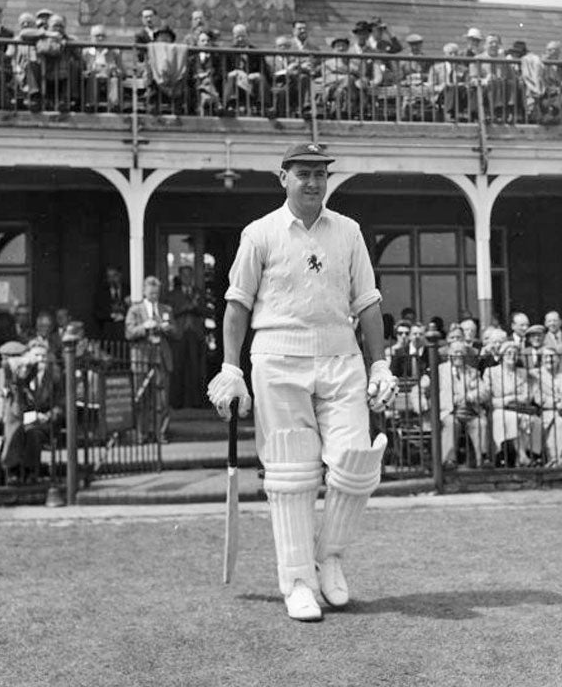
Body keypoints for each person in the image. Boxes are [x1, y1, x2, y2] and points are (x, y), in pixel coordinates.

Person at [206, 141, 397, 622]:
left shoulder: (349, 232)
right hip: (278, 356)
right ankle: (296, 581)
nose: (313, 182)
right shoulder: (260, 233)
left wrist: (379, 365)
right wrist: (231, 369)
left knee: (356, 462)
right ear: (283, 178)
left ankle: (328, 556)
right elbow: (238, 304)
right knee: (291, 475)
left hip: (340, 354)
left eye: (320, 173)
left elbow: (368, 302)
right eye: (303, 173)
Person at [1, 340, 63, 485]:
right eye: (36, 355)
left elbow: (61, 404)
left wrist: (47, 416)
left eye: (43, 356)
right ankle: (14, 471)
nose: (40, 359)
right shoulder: (24, 374)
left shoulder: (55, 376)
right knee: (18, 428)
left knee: (32, 431)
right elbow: (7, 369)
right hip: (22, 419)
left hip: (44, 422)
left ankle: (30, 472)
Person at [125, 277, 176, 444]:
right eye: (151, 291)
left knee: (162, 399)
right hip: (142, 358)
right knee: (141, 398)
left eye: (157, 292)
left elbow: (176, 332)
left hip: (161, 358)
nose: (154, 294)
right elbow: (129, 332)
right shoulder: (135, 310)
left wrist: (168, 328)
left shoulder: (166, 309)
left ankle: (160, 434)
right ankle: (141, 434)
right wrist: (144, 327)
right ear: (144, 291)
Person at [166, 265, 208, 409]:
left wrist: (195, 307)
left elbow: (205, 311)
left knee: (196, 369)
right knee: (178, 368)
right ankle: (177, 403)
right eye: (184, 275)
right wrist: (186, 307)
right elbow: (169, 312)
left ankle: (196, 402)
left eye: (189, 275)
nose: (187, 278)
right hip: (179, 334)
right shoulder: (173, 294)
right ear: (180, 276)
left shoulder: (198, 293)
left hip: (195, 334)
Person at [93, 265, 130, 342]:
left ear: (120, 275)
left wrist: (124, 316)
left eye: (114, 275)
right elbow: (96, 312)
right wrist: (110, 316)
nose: (112, 279)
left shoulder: (129, 290)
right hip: (108, 333)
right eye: (109, 276)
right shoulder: (101, 292)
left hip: (126, 331)